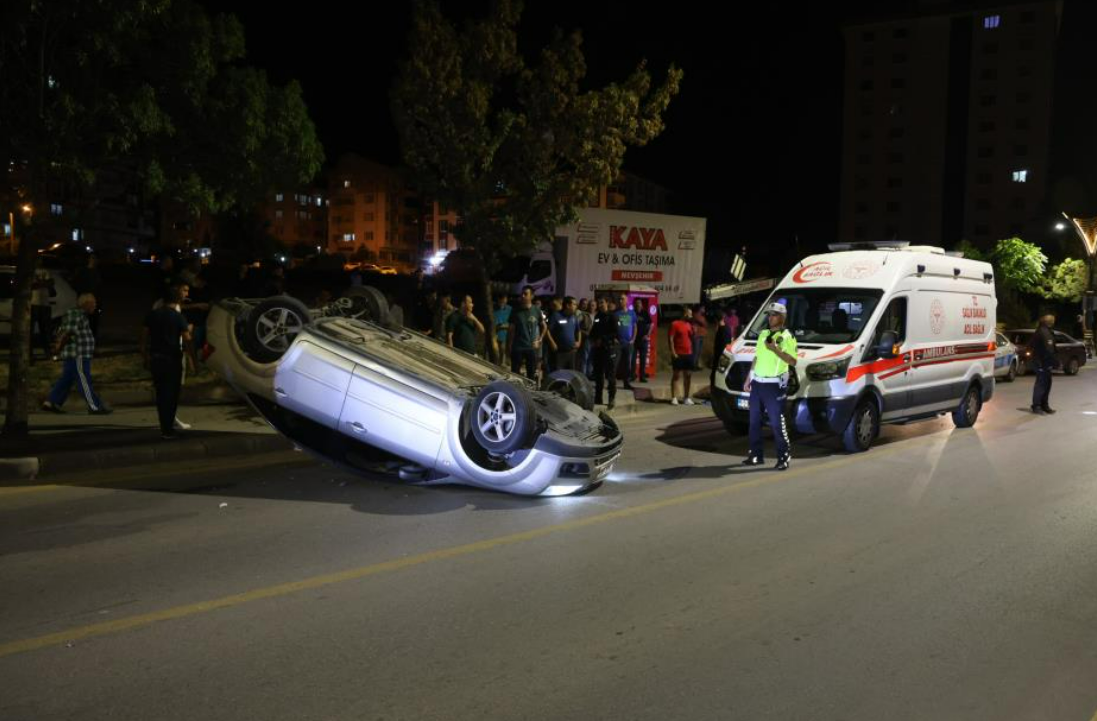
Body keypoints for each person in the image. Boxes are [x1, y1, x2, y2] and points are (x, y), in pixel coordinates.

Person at [743, 302, 798, 471]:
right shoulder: (763, 334)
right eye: (769, 314)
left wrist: (775, 349)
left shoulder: (788, 336)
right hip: (758, 383)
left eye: (774, 314)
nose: (770, 317)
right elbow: (757, 357)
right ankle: (755, 455)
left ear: (782, 317)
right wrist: (748, 378)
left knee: (776, 422)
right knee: (753, 421)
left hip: (774, 385)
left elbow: (792, 361)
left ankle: (783, 456)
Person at [41, 293, 112, 415]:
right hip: (78, 354)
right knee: (84, 380)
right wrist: (58, 348)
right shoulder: (76, 314)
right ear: (86, 304)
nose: (95, 306)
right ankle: (94, 406)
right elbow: (68, 333)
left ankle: (51, 402)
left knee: (67, 379)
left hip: (78, 353)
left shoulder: (81, 315)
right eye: (93, 303)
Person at [142, 284, 194, 439]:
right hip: (172, 360)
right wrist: (192, 360)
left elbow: (143, 337)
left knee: (160, 393)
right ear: (177, 299)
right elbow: (187, 339)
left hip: (156, 358)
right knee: (172, 395)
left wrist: (145, 356)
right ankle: (168, 428)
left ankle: (164, 426)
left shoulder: (152, 315)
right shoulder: (178, 317)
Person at [508, 286, 545, 381]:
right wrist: (509, 345)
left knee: (531, 375)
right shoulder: (515, 311)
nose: (523, 296)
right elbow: (511, 329)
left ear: (532, 296)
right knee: (514, 374)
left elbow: (544, 326)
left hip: (531, 347)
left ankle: (529, 394)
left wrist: (539, 340)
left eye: (525, 294)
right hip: (518, 347)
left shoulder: (536, 310)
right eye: (522, 293)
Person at [590, 297, 620, 409]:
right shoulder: (598, 316)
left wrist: (602, 339)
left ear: (607, 303)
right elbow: (593, 330)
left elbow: (616, 332)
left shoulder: (612, 316)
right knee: (598, 374)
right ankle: (598, 397)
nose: (600, 305)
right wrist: (592, 338)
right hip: (598, 349)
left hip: (609, 348)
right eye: (599, 303)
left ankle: (611, 398)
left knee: (610, 375)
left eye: (602, 302)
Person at [1030, 314, 1057, 415]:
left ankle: (1044, 405)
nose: (1053, 322)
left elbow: (1052, 348)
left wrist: (1054, 361)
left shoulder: (1048, 332)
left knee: (1047, 384)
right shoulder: (1041, 332)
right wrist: (1039, 361)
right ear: (1048, 321)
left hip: (1047, 363)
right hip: (1041, 363)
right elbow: (1035, 347)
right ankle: (1036, 406)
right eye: (1052, 320)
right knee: (1041, 385)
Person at [71, 254, 103, 338]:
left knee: (93, 322)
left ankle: (91, 342)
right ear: (88, 259)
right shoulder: (82, 271)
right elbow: (74, 284)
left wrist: (98, 301)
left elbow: (99, 287)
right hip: (84, 299)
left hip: (94, 300)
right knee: (84, 321)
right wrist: (84, 293)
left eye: (95, 258)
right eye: (92, 258)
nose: (94, 260)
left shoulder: (97, 272)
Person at [668, 311, 695, 405]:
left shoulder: (689, 325)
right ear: (684, 314)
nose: (691, 316)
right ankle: (674, 397)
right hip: (678, 354)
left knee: (688, 375)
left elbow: (691, 337)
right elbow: (671, 338)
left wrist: (694, 331)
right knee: (676, 375)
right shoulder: (675, 324)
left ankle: (686, 397)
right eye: (690, 314)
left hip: (688, 353)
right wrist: (673, 352)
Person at [548, 296, 581, 371]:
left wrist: (579, 342)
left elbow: (578, 330)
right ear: (568, 305)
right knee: (559, 375)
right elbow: (548, 331)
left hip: (571, 352)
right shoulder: (556, 316)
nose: (576, 306)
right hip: (559, 352)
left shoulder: (574, 317)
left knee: (570, 375)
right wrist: (552, 343)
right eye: (574, 304)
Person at [30, 269, 55, 363]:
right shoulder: (30, 271)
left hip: (45, 305)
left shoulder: (46, 271)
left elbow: (51, 283)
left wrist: (39, 283)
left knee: (45, 331)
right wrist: (44, 283)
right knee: (30, 332)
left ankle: (48, 353)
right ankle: (30, 354)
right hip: (33, 304)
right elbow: (31, 286)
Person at [614, 293, 638, 390]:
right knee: (615, 363)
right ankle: (612, 383)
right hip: (618, 343)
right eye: (619, 299)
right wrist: (614, 338)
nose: (620, 301)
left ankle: (626, 383)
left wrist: (633, 339)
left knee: (627, 364)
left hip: (628, 343)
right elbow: (612, 327)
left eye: (622, 299)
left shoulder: (632, 313)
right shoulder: (616, 313)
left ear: (627, 301)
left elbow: (635, 327)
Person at [711, 311, 733, 390]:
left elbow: (722, 345)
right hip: (725, 355)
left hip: (720, 357)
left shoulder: (722, 330)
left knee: (715, 377)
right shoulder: (727, 328)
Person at [633, 298, 652, 383]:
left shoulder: (645, 313)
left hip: (643, 340)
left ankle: (642, 376)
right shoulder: (632, 313)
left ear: (641, 304)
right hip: (634, 340)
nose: (638, 304)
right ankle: (633, 375)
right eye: (636, 303)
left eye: (639, 303)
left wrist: (647, 335)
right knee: (632, 359)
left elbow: (651, 324)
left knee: (643, 359)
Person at [576, 298, 595, 378]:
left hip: (594, 339)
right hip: (586, 339)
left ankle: (589, 375)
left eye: (593, 305)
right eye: (590, 305)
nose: (591, 307)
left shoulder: (596, 315)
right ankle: (583, 376)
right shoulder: (583, 315)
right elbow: (577, 326)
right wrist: (585, 333)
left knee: (591, 358)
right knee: (585, 358)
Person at [493, 294, 512, 361]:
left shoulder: (509, 309)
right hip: (493, 333)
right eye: (501, 300)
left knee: (502, 350)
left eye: (504, 300)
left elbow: (512, 323)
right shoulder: (493, 307)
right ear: (498, 300)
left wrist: (503, 326)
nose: (503, 302)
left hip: (504, 334)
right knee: (494, 352)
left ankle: (502, 364)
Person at [691, 304, 708, 371]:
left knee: (699, 351)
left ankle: (696, 364)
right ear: (699, 309)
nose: (704, 309)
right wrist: (705, 323)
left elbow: (705, 324)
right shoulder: (696, 315)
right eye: (703, 308)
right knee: (695, 351)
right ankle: (693, 365)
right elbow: (704, 323)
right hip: (697, 335)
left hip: (701, 335)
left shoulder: (701, 316)